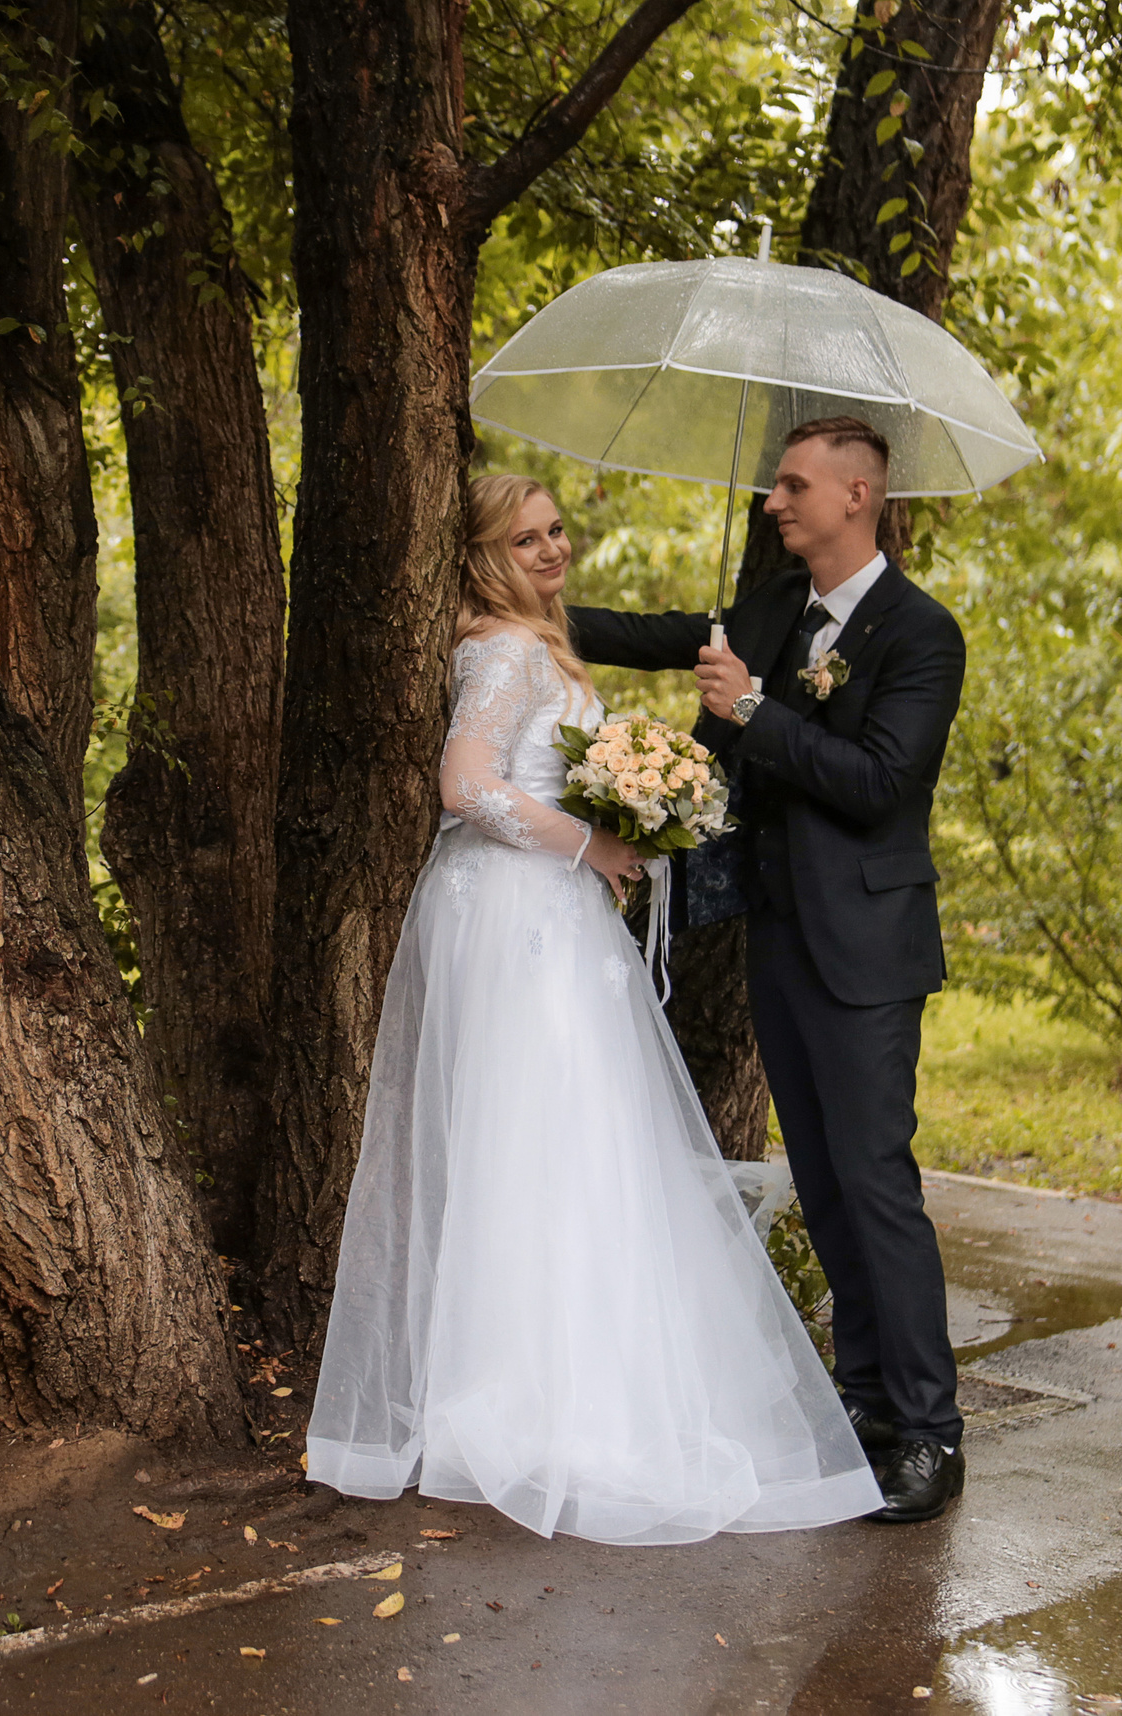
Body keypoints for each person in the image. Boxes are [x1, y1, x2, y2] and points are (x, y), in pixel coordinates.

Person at [304, 473, 884, 1546]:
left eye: (557, 531)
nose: (550, 551)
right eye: (524, 539)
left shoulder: (541, 644)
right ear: (482, 555)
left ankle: (572, 1388)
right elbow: (466, 784)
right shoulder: (505, 652)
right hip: (513, 919)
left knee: (570, 1140)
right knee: (529, 1139)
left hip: (549, 914)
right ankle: (515, 1408)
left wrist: (629, 803)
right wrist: (595, 843)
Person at [568, 415, 970, 1523]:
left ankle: (932, 1432)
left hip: (869, 951)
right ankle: (864, 1406)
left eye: (791, 488)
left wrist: (750, 709)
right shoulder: (771, 609)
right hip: (780, 939)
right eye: (772, 487)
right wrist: (519, 612)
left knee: (877, 1183)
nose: (771, 503)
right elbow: (652, 634)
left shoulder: (920, 634)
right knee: (827, 1187)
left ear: (856, 496)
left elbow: (880, 780)